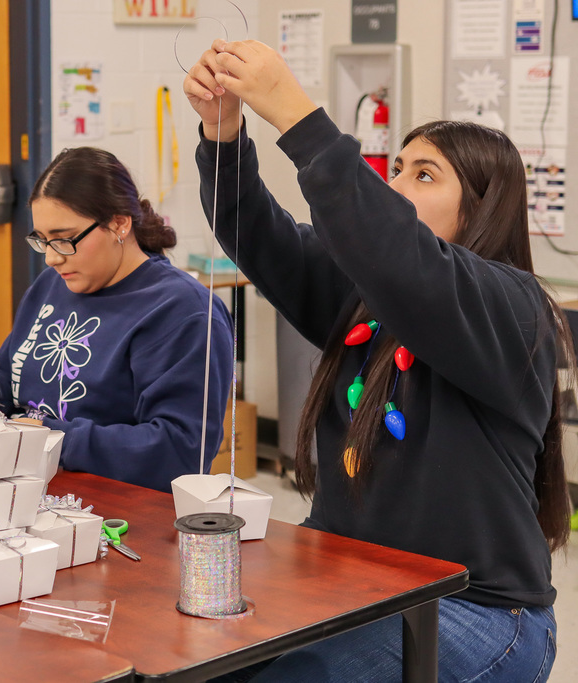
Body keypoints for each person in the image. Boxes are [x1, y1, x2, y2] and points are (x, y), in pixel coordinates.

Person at [184, 39, 570, 681]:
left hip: (478, 615)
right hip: (356, 589)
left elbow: (388, 244)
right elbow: (257, 233)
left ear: (482, 208)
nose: (394, 188)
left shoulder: (513, 306)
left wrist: (292, 111)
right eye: (397, 169)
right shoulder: (365, 297)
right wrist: (222, 132)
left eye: (423, 175)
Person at [0, 147, 233, 493]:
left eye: (63, 239)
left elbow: (179, 451)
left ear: (119, 223)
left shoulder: (183, 311)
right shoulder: (55, 283)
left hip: (122, 509)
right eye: (42, 241)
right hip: (31, 489)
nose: (51, 259)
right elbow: (14, 374)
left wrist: (56, 437)